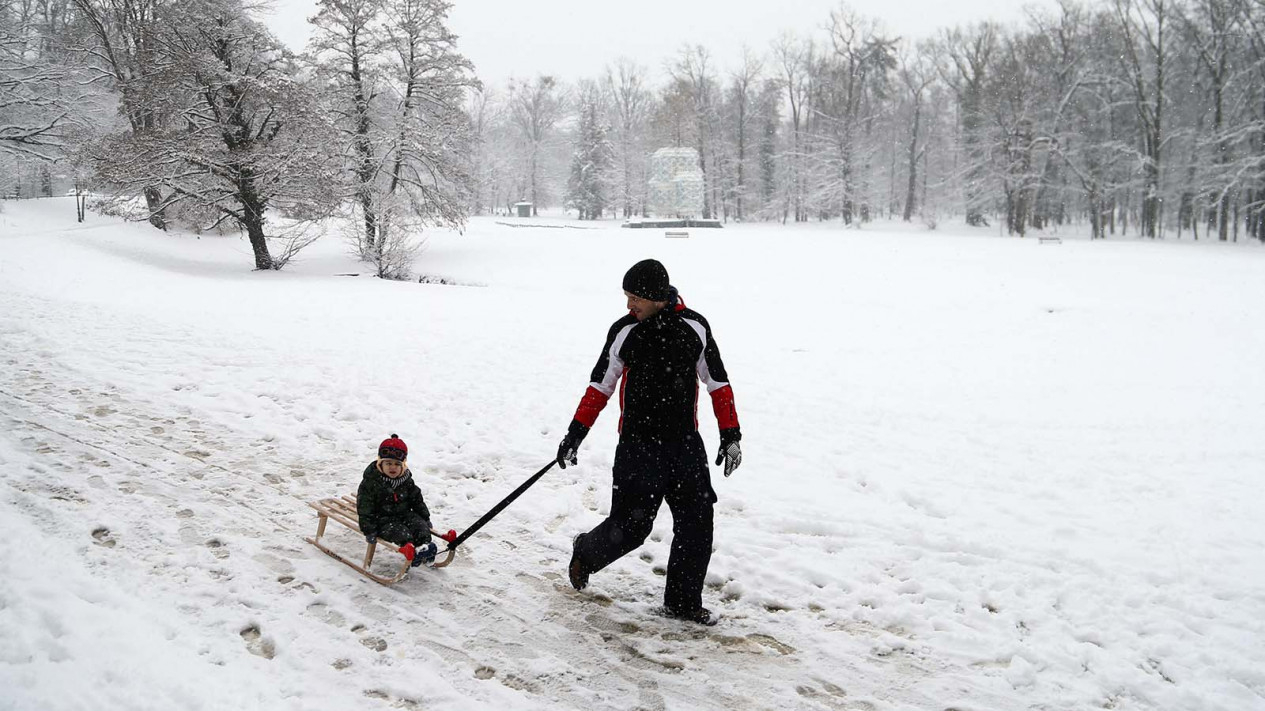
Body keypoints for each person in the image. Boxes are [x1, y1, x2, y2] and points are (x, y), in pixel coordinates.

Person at [557, 258, 743, 626]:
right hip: (637, 446)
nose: (629, 305)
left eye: (634, 297)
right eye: (627, 298)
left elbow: (718, 383)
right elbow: (600, 386)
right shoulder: (625, 331)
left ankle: (682, 602)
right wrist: (575, 433)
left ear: (657, 296)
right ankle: (587, 552)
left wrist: (730, 434)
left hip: (685, 444)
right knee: (631, 528)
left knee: (697, 521)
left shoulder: (695, 326)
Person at [357, 434, 437, 567]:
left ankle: (425, 548)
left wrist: (425, 517)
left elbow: (417, 500)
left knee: (420, 526)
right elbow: (365, 508)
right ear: (380, 464)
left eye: (397, 464)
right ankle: (410, 549)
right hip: (382, 520)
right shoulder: (371, 483)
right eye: (388, 463)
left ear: (403, 465)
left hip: (405, 514)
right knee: (401, 533)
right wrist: (369, 529)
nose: (392, 468)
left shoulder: (406, 481)